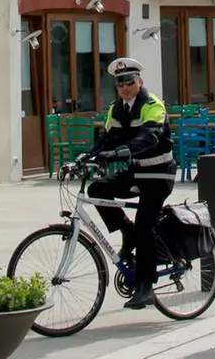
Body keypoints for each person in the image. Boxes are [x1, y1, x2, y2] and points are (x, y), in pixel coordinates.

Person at [81, 57, 177, 309]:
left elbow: (149, 137)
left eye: (129, 81)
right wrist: (88, 155)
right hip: (135, 170)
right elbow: (106, 137)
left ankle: (145, 286)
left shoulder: (153, 105)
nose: (124, 87)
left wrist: (120, 152)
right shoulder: (117, 108)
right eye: (119, 83)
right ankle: (126, 230)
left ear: (140, 81)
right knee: (97, 188)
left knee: (145, 225)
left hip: (159, 172)